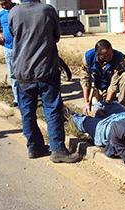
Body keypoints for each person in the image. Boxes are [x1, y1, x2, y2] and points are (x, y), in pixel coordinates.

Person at [8, 0, 79, 163]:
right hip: (46, 70)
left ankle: (34, 147)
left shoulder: (14, 12)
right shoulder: (47, 10)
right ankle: (58, 149)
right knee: (52, 109)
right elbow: (56, 36)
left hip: (23, 71)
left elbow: (12, 35)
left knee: (27, 112)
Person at [80, 39, 125, 114]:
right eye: (106, 55)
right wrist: (86, 102)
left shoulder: (118, 59)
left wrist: (107, 104)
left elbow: (114, 84)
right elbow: (85, 80)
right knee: (94, 108)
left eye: (111, 53)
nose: (110, 56)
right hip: (98, 85)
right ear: (97, 54)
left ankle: (121, 105)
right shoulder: (88, 58)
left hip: (112, 84)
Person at [0, 0, 18, 107]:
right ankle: (17, 98)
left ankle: (30, 96)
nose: (4, 6)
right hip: (8, 48)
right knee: (13, 74)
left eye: (5, 3)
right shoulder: (1, 13)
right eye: (1, 4)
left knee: (25, 74)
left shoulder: (18, 9)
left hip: (22, 48)